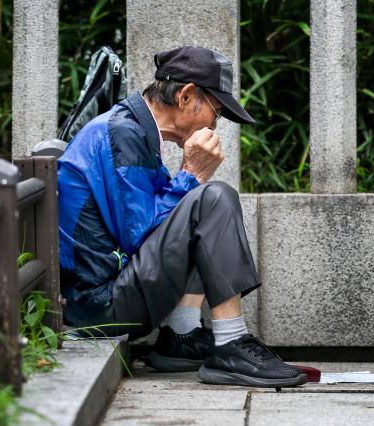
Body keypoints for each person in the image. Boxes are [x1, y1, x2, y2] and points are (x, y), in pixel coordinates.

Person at [57, 46, 306, 388]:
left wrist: (188, 182)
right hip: (96, 307)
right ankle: (232, 342)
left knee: (199, 203)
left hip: (97, 299)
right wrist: (191, 174)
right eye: (216, 112)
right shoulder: (123, 133)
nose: (215, 125)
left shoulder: (134, 130)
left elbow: (154, 230)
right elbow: (141, 237)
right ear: (187, 96)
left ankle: (182, 337)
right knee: (214, 198)